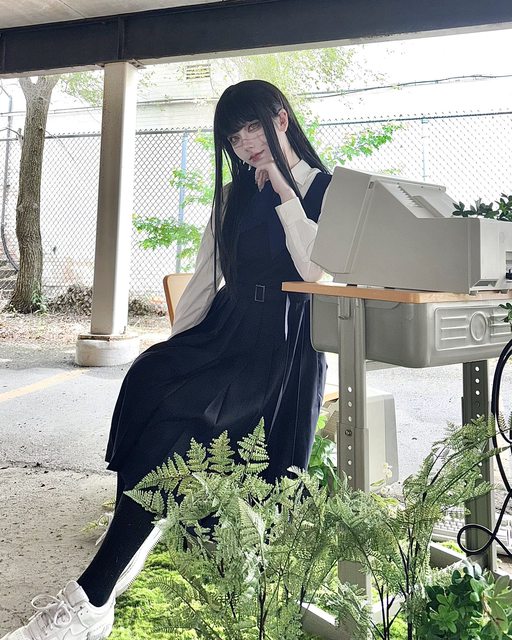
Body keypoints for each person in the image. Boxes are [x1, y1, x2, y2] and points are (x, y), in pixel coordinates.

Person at [2, 79, 332, 640]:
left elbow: (313, 271)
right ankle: (121, 553)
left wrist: (282, 187)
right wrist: (179, 352)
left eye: (253, 128)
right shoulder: (230, 196)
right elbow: (206, 276)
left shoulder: (325, 187)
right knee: (151, 380)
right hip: (228, 328)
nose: (245, 145)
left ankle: (93, 598)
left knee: (185, 427)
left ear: (281, 118)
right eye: (234, 138)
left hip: (284, 343)